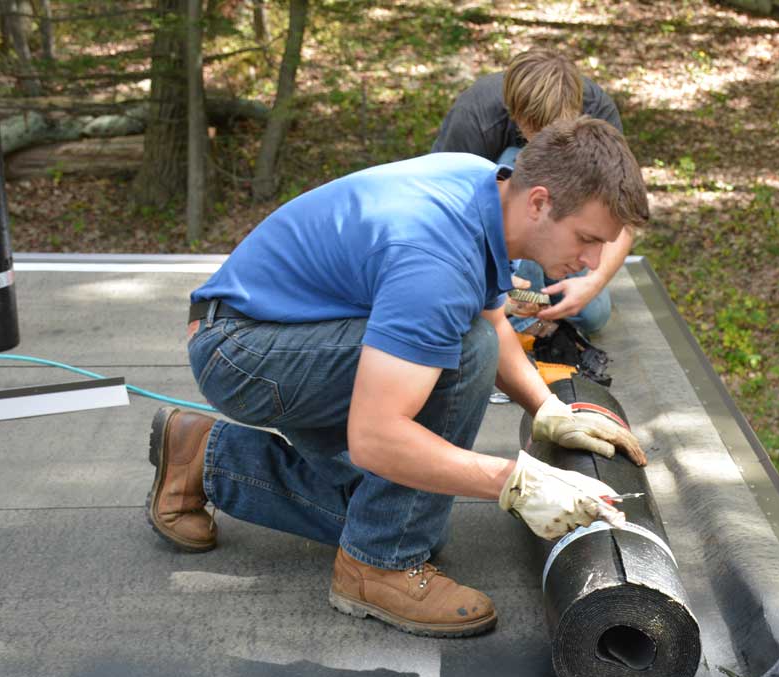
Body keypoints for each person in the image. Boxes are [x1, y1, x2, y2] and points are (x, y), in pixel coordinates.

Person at [145, 116, 650, 639]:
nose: (593, 263)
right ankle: (378, 565)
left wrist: (544, 408)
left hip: (274, 328)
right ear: (540, 202)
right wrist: (516, 483)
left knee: (390, 504)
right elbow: (375, 438)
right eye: (588, 239)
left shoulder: (484, 181)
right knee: (453, 372)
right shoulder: (434, 259)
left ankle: (207, 458)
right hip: (242, 351)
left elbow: (491, 315)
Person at [432, 48, 633, 336]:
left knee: (593, 315)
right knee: (515, 162)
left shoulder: (598, 113)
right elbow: (447, 210)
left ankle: (538, 301)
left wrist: (594, 282)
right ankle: (523, 319)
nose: (547, 142)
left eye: (558, 132)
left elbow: (622, 216)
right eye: (537, 132)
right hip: (494, 238)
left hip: (563, 224)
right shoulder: (475, 114)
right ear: (515, 113)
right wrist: (486, 279)